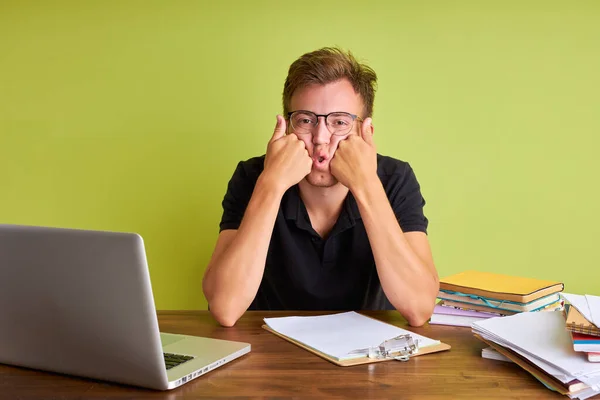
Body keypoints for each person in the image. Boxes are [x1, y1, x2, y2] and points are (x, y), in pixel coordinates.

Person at [202, 47, 439, 327]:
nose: (321, 138)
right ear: (288, 128)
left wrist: (365, 184)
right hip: (271, 352)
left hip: (367, 355)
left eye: (339, 122)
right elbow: (225, 308)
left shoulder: (395, 178)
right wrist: (272, 184)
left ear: (366, 132)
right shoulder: (253, 176)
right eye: (305, 120)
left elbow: (419, 308)